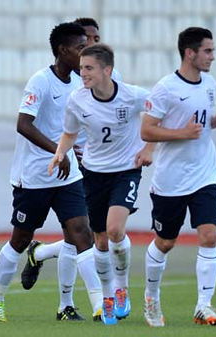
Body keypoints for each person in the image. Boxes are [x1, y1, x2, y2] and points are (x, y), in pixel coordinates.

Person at [0, 22, 95, 323]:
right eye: (80, 47)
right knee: (20, 239)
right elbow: (23, 124)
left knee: (80, 233)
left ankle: (99, 306)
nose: (85, 53)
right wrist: (59, 152)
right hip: (33, 177)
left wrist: (82, 151)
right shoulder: (40, 82)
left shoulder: (79, 84)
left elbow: (74, 127)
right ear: (62, 50)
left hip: (67, 175)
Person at [48, 43, 154, 324]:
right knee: (101, 240)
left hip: (125, 172)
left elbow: (162, 111)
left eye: (89, 68)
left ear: (107, 70)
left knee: (115, 230)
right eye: (81, 68)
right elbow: (69, 134)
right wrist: (60, 152)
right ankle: (107, 295)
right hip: (93, 173)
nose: (82, 73)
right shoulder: (77, 100)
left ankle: (121, 288)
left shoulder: (132, 96)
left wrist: (149, 149)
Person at [141, 27, 216, 327]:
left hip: (205, 174)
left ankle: (204, 305)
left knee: (209, 236)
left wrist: (214, 121)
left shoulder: (210, 83)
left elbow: (198, 123)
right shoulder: (165, 88)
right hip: (170, 180)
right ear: (190, 53)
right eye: (208, 51)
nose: (213, 57)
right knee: (165, 242)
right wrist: (182, 133)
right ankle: (151, 299)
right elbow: (147, 130)